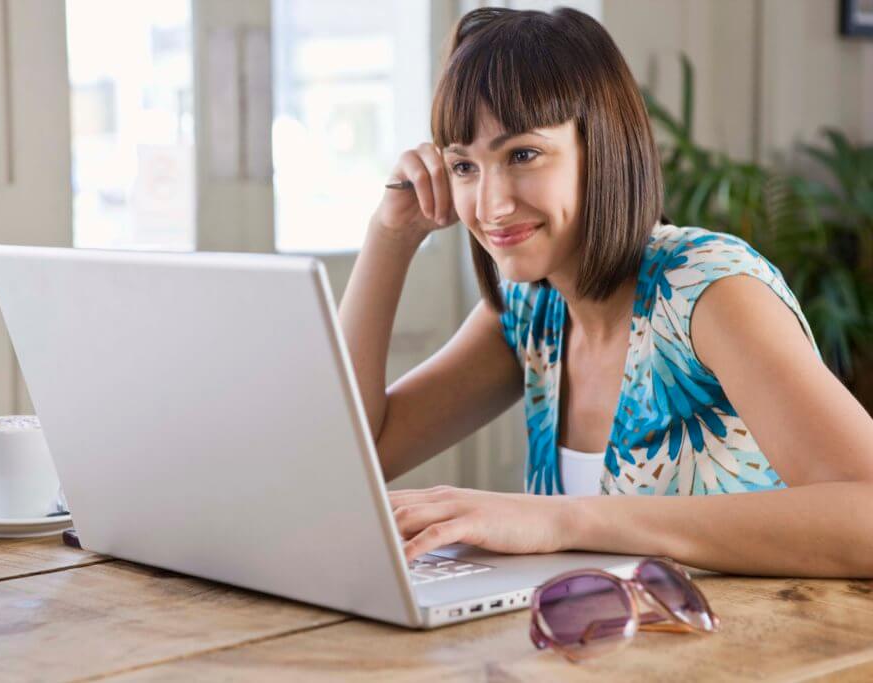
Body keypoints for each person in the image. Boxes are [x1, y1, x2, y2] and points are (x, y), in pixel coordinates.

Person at [338, 6, 873, 577]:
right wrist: (391, 235)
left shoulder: (709, 290)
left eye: (522, 154)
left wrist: (565, 521)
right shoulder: (531, 311)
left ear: (603, 148)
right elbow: (351, 456)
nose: (490, 206)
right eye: (464, 166)